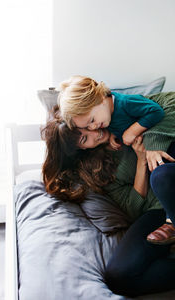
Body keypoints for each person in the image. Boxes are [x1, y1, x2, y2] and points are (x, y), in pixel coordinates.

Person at [41, 109, 175, 297]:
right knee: (118, 277)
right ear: (81, 150)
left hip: (171, 174)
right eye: (84, 139)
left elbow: (168, 109)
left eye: (87, 126)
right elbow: (133, 207)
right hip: (157, 210)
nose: (95, 132)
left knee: (163, 176)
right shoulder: (97, 169)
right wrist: (141, 161)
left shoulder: (117, 114)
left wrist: (151, 143)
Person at [58, 75, 175, 172]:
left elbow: (156, 111)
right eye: (87, 127)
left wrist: (132, 131)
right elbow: (119, 124)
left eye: (92, 120)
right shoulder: (106, 118)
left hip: (165, 141)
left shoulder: (125, 103)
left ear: (100, 98)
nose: (93, 128)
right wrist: (114, 135)